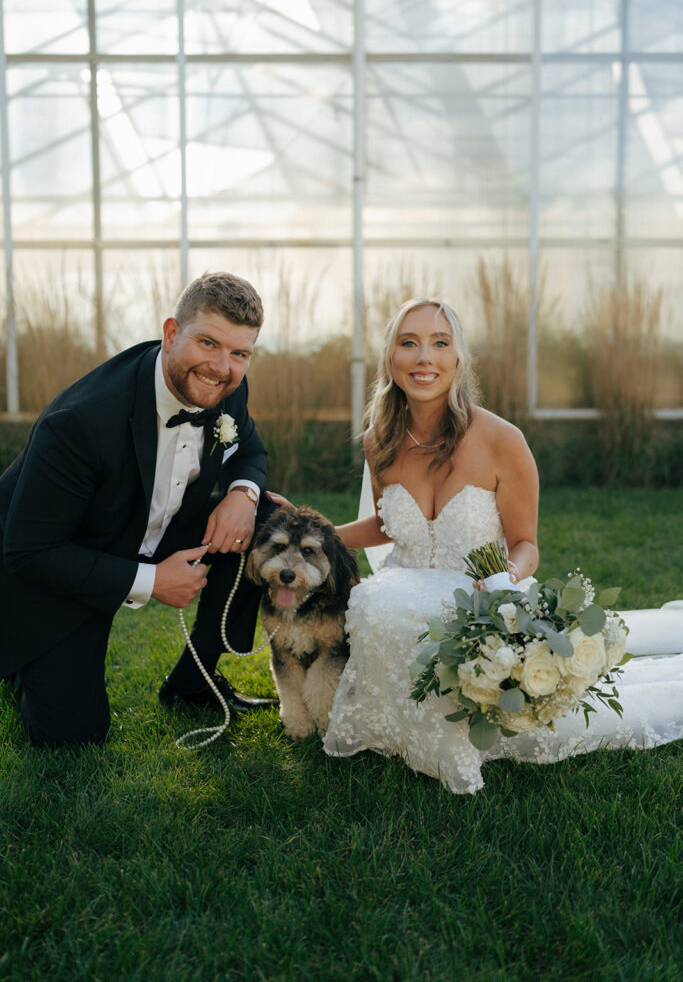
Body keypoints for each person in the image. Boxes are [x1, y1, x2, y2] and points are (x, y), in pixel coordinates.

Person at [322, 298, 683, 794]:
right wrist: (313, 533)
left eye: (440, 344)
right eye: (409, 344)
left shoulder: (502, 440)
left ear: (459, 359)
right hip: (400, 592)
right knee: (381, 606)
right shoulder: (378, 438)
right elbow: (389, 525)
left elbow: (526, 544)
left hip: (480, 599)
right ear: (391, 359)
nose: (425, 357)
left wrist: (506, 577)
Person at [0, 270, 278, 748]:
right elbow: (29, 550)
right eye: (208, 343)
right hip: (61, 565)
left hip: (152, 528)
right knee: (74, 735)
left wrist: (243, 496)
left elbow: (250, 452)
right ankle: (27, 667)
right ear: (171, 333)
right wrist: (152, 582)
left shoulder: (229, 389)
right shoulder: (80, 422)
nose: (221, 367)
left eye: (239, 353)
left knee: (270, 520)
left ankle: (194, 685)